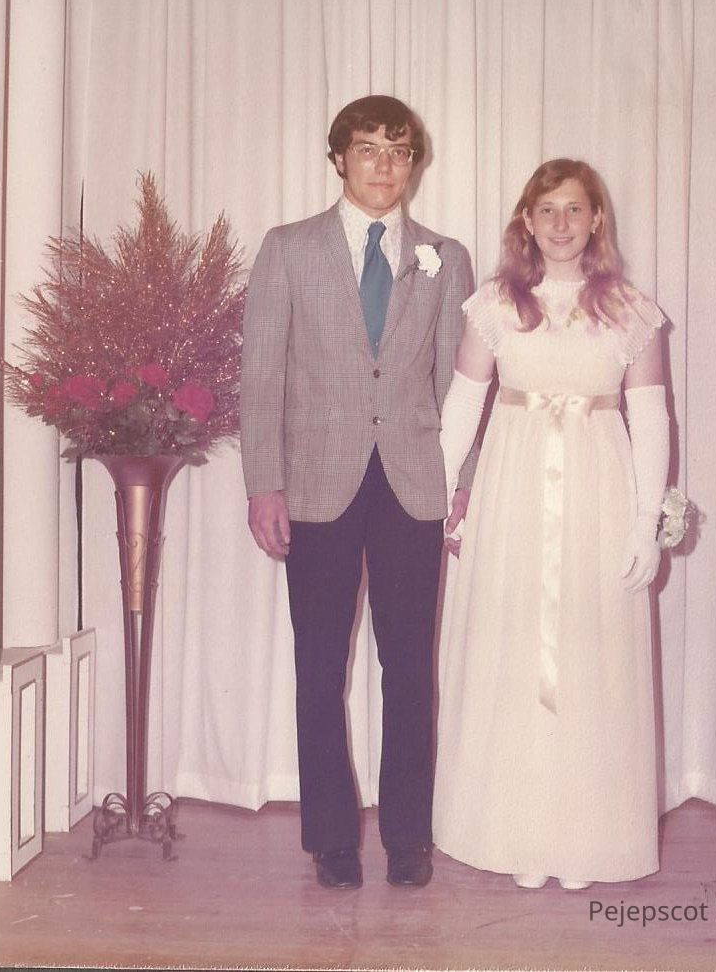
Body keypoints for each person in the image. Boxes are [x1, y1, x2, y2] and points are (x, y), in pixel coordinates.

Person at [240, 95, 476, 890]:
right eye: (369, 148)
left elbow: (459, 386)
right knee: (319, 665)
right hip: (315, 482)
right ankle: (331, 840)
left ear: (414, 165)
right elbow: (260, 378)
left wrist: (462, 482)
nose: (385, 165)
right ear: (339, 158)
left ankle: (408, 836)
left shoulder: (445, 256)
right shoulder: (288, 249)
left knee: (409, 667)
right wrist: (264, 484)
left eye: (399, 151)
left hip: (413, 482)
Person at [433, 158, 668, 890]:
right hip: (512, 491)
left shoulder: (631, 310)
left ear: (596, 220)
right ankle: (515, 836)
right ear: (527, 223)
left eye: (574, 209)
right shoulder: (495, 304)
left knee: (589, 664)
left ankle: (585, 842)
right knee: (514, 656)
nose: (561, 223)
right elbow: (462, 406)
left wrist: (645, 522)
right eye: (547, 210)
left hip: (599, 490)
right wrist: (437, 497)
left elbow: (652, 417)